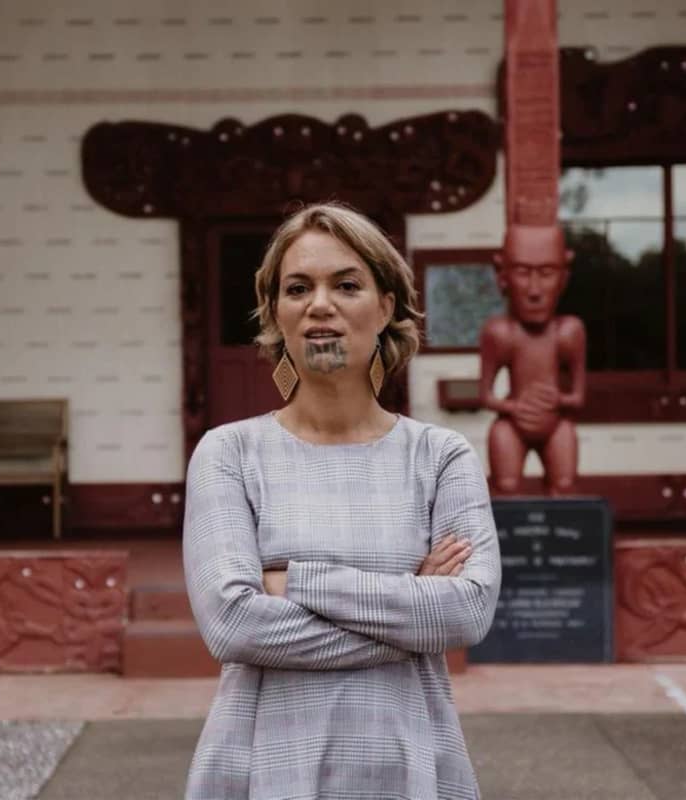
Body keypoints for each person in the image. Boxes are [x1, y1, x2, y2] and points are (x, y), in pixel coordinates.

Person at [182, 203, 502, 800]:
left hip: (409, 759)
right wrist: (412, 612)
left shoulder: (440, 457)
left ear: (386, 307)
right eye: (297, 288)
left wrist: (294, 583)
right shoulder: (229, 453)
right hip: (262, 762)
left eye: (346, 285)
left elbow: (466, 612)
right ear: (276, 314)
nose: (319, 304)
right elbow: (231, 625)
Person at [479, 223, 586, 495]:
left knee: (564, 486)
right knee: (505, 486)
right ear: (502, 276)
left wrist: (558, 401)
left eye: (547, 273)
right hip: (513, 425)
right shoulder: (500, 333)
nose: (534, 290)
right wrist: (514, 408)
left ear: (564, 277)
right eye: (523, 273)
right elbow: (485, 396)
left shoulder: (569, 332)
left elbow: (578, 397)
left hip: (555, 424)